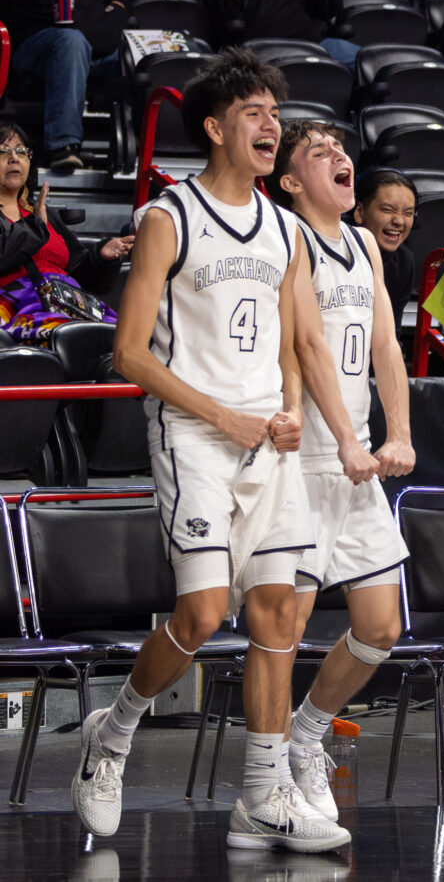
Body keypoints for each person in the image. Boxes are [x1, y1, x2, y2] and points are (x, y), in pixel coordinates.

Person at [74, 48, 348, 852]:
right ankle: (113, 733)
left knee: (277, 613)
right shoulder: (169, 217)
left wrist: (293, 410)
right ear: (216, 128)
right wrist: (223, 415)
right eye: (255, 113)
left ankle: (262, 794)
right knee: (200, 614)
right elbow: (128, 354)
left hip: (267, 437)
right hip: (193, 434)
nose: (272, 124)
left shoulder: (287, 229)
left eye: (275, 111)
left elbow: (299, 342)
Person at [266, 120, 415, 821]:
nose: (338, 158)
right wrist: (349, 439)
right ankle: (264, 782)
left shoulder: (362, 243)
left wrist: (400, 433)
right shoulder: (286, 237)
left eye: (340, 149)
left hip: (355, 463)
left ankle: (308, 733)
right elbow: (306, 347)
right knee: (282, 629)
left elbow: (386, 342)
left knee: (381, 627)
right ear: (292, 181)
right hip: (302, 459)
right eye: (318, 153)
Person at [0, 122, 128, 341]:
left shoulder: (41, 210)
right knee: (68, 338)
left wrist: (102, 257)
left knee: (128, 341)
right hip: (16, 306)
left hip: (69, 303)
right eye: (3, 150)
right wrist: (37, 225)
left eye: (21, 151)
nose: (15, 158)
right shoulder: (40, 217)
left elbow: (85, 274)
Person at [0, 0, 129, 171]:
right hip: (35, 41)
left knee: (139, 52)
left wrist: (118, 7)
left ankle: (143, 149)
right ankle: (63, 146)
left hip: (95, 38)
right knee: (71, 42)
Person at [200, 0, 360, 72]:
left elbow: (328, 12)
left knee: (370, 62)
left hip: (313, 43)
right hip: (254, 48)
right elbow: (235, 12)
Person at [352, 169, 418, 344]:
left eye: (408, 213)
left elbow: (391, 334)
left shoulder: (404, 261)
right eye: (388, 210)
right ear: (359, 212)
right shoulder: (332, 254)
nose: (399, 221)